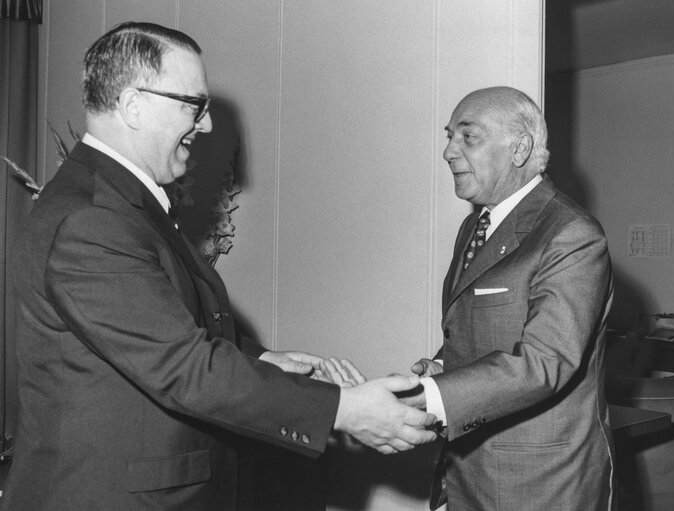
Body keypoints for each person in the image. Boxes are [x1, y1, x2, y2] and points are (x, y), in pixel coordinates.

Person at [1, 22, 437, 511]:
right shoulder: (93, 219)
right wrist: (345, 410)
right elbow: (183, 366)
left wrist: (261, 361)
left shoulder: (117, 202)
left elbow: (159, 326)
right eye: (193, 105)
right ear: (132, 105)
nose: (206, 125)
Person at [410, 86, 615, 510]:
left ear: (519, 148)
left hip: (541, 483)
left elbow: (545, 362)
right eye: (449, 136)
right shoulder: (475, 228)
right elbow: (488, 329)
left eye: (468, 136)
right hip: (469, 470)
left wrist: (430, 396)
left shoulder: (571, 233)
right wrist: (447, 364)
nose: (448, 151)